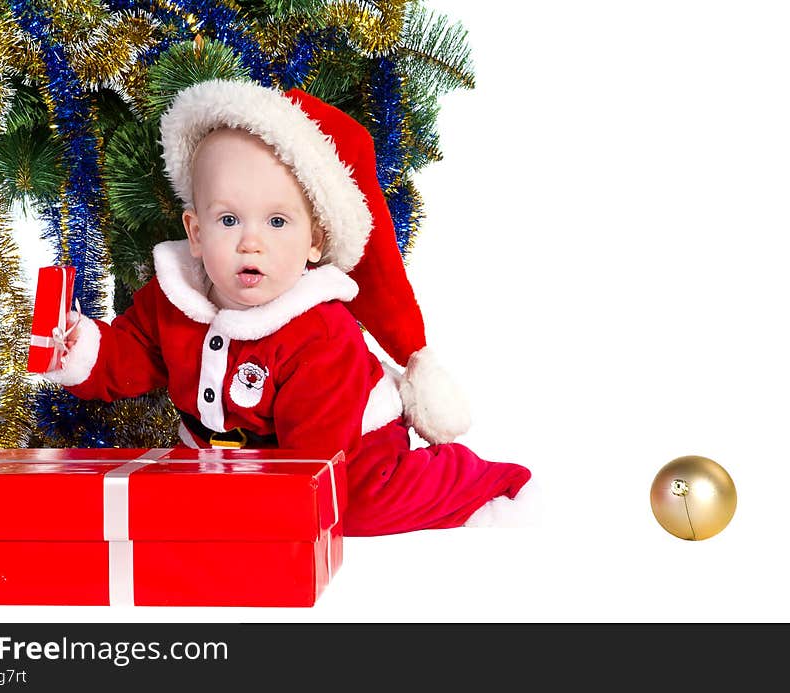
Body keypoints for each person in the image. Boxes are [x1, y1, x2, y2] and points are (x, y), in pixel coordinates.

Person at [43, 78, 532, 536]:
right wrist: (78, 349)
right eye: (229, 219)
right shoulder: (174, 300)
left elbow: (313, 460)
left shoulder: (318, 331)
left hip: (348, 449)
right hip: (226, 455)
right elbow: (129, 357)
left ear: (315, 241)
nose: (250, 242)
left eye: (277, 222)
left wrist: (267, 509)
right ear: (195, 233)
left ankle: (475, 481)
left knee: (357, 507)